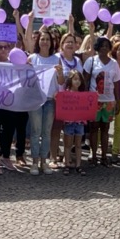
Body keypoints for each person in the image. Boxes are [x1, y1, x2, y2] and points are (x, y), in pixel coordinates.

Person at [28, 29, 64, 175]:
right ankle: (35, 162)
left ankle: (45, 161)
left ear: (52, 42)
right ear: (38, 41)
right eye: (42, 39)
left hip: (50, 100)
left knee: (47, 132)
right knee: (35, 132)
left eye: (48, 39)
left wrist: (60, 72)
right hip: (36, 101)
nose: (45, 42)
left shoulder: (56, 59)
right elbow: (26, 81)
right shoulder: (32, 58)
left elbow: (61, 82)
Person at [84, 37, 120, 167]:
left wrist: (117, 101)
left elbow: (117, 84)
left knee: (105, 129)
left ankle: (104, 156)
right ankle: (93, 155)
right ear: (98, 47)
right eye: (102, 45)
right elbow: (85, 80)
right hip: (94, 101)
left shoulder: (114, 63)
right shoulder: (91, 61)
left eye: (107, 45)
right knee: (94, 128)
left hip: (109, 101)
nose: (104, 48)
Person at [51, 32, 84, 166]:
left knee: (71, 131)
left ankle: (68, 157)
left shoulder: (78, 61)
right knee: (56, 129)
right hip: (59, 100)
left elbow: (80, 79)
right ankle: (53, 157)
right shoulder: (56, 58)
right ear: (62, 45)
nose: (70, 44)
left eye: (72, 42)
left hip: (74, 102)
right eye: (67, 42)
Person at [0, 41, 20, 175]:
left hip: (10, 103)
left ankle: (5, 157)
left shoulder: (15, 65)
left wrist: (27, 68)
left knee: (8, 130)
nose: (2, 49)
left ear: (9, 49)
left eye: (5, 46)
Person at [60, 70, 87, 175]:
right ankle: (67, 164)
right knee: (67, 145)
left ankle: (78, 165)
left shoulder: (83, 94)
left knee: (78, 144)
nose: (77, 82)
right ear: (70, 80)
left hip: (79, 122)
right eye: (75, 79)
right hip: (68, 122)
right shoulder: (65, 94)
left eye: (79, 79)